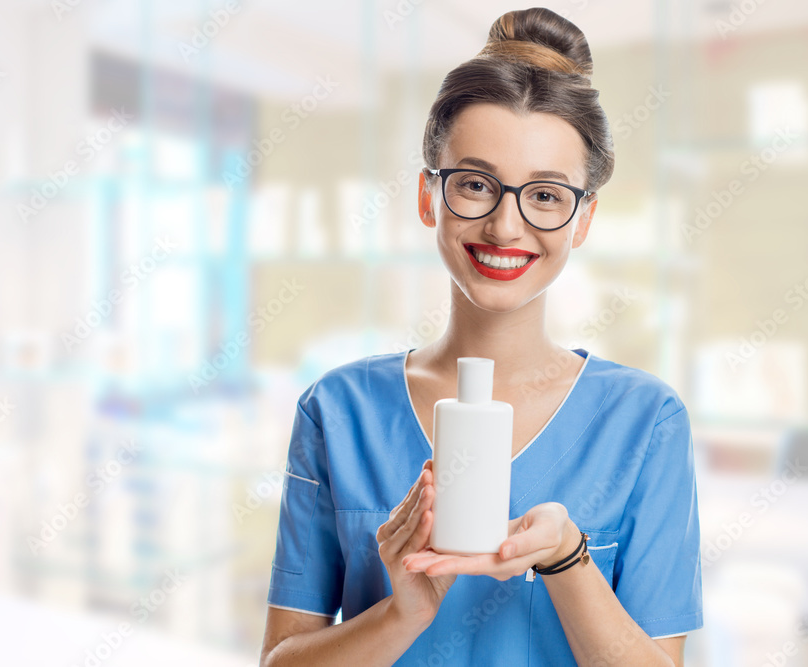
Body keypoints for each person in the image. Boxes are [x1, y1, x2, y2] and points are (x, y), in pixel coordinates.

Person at [258, 7, 702, 666]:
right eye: (475, 184)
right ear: (428, 195)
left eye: (546, 196)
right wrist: (402, 612)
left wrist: (565, 558)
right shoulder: (338, 410)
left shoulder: (645, 422)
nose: (504, 226)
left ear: (583, 220)